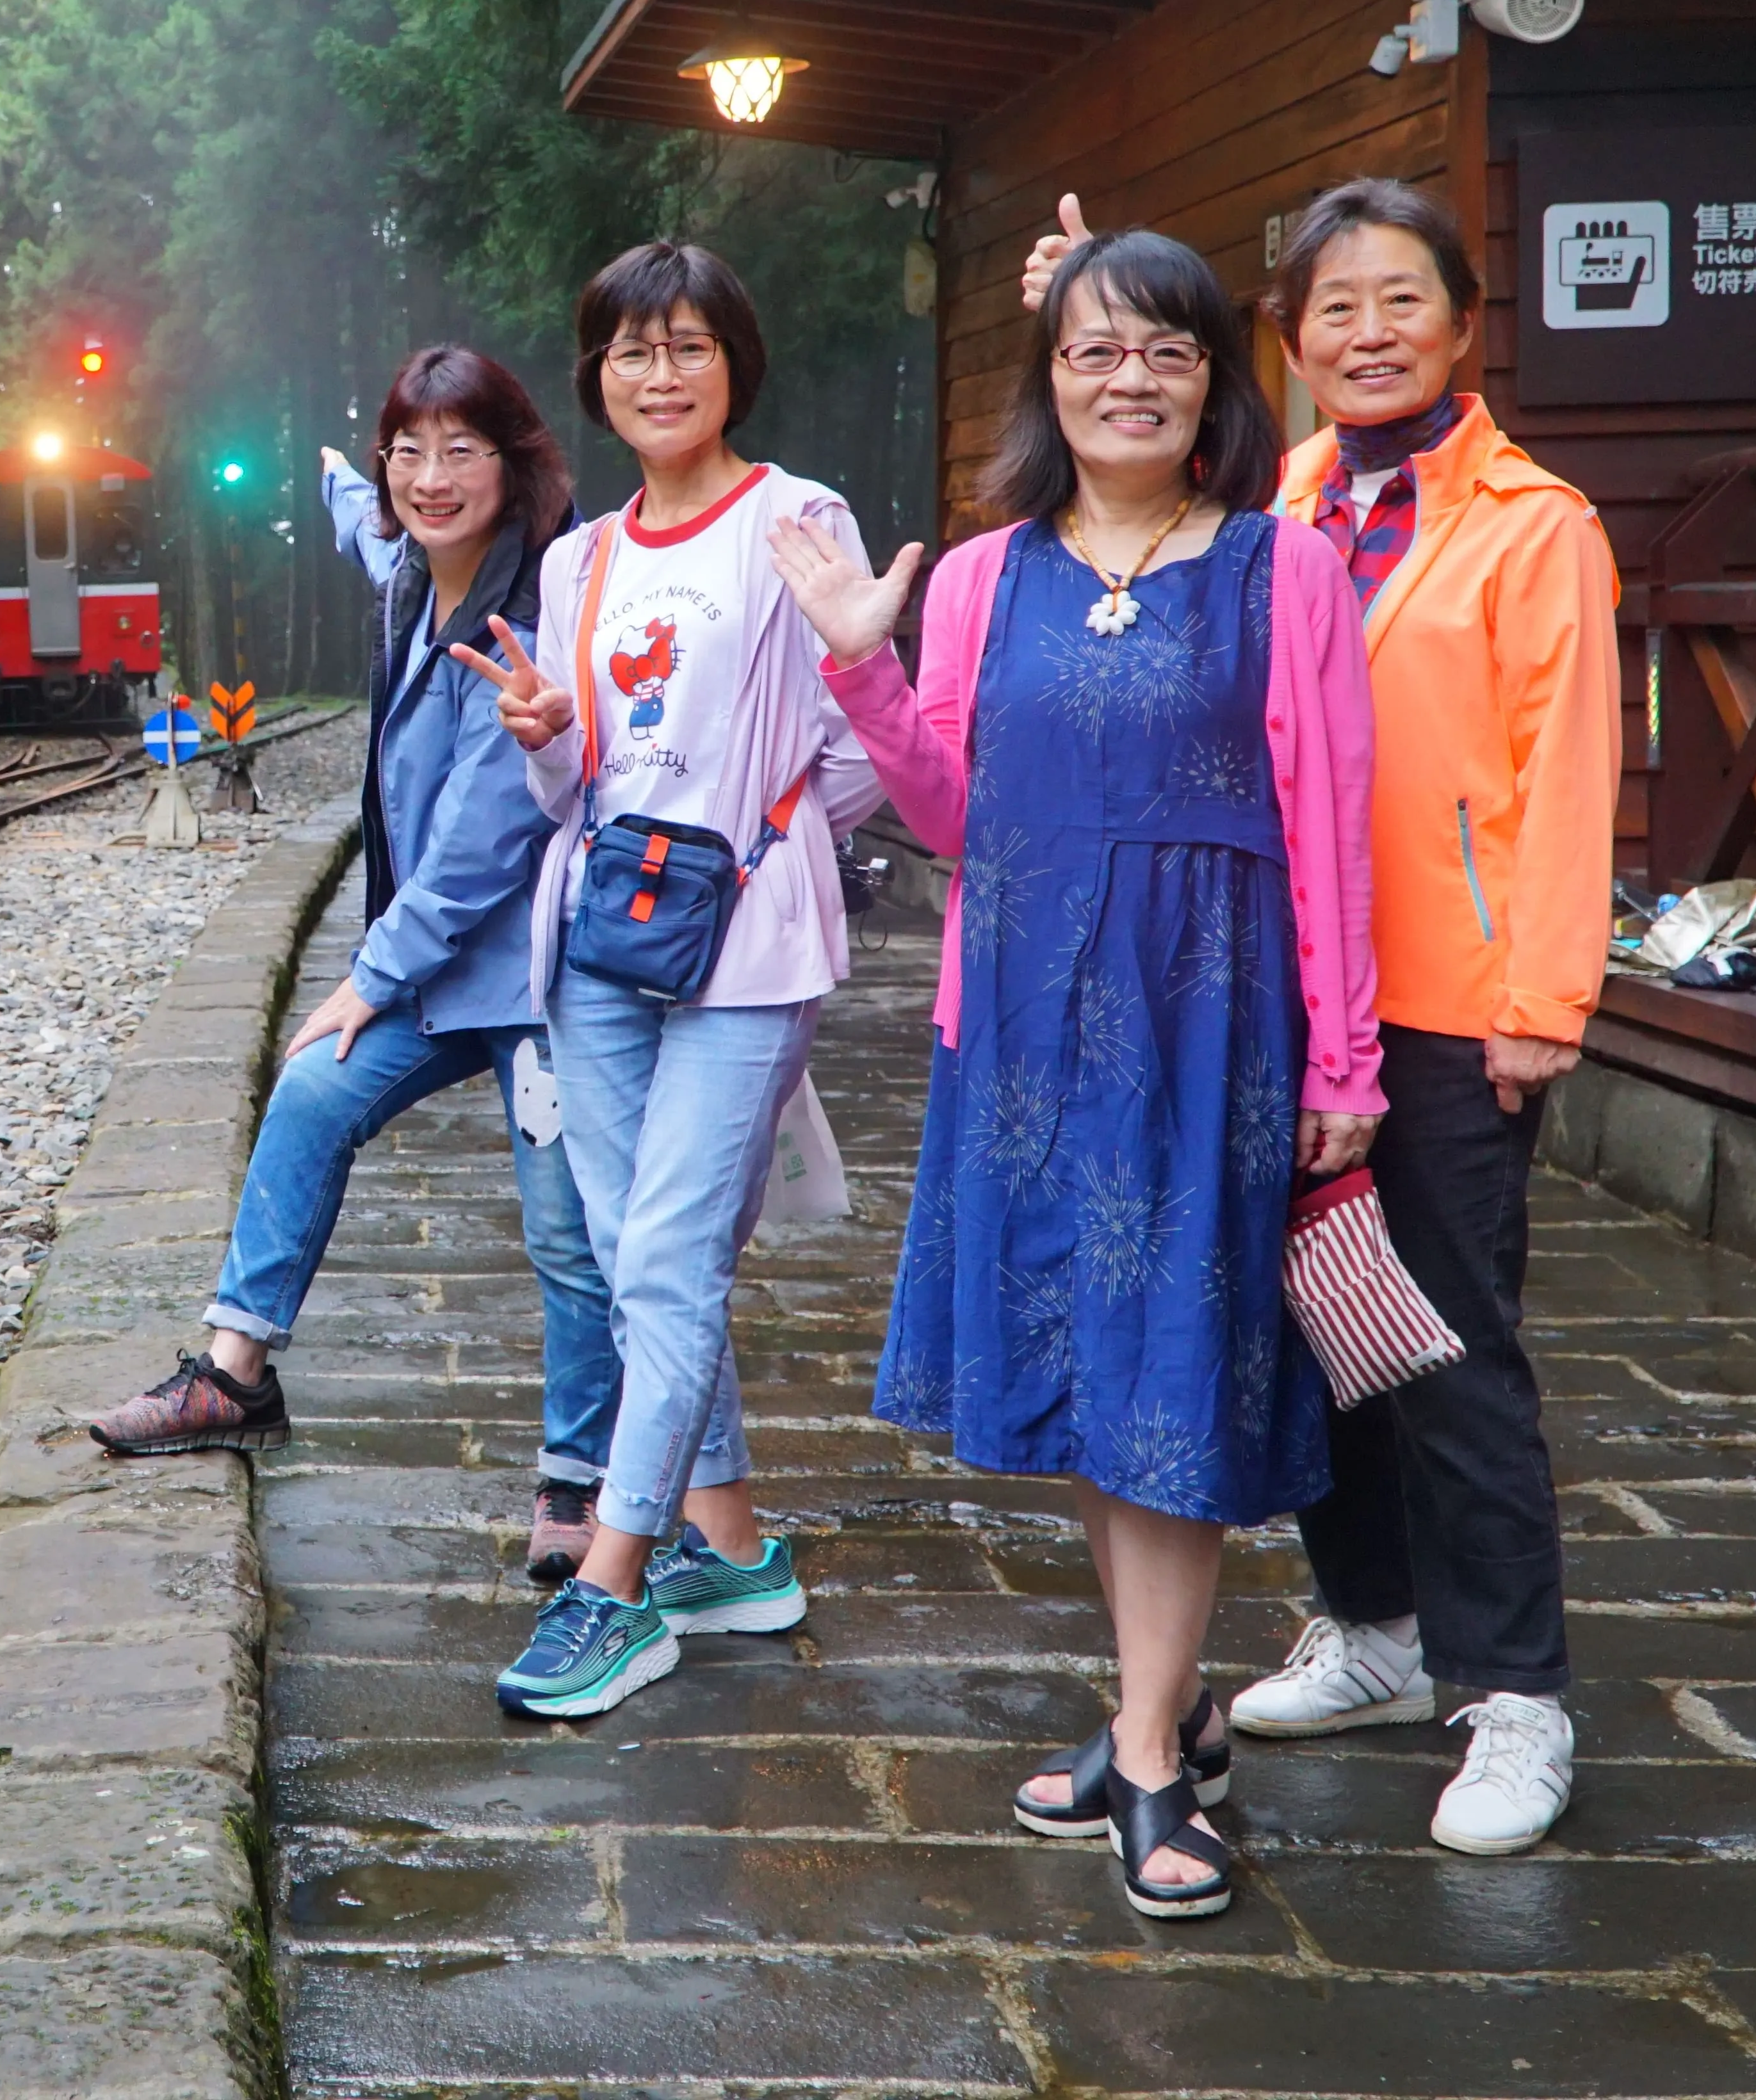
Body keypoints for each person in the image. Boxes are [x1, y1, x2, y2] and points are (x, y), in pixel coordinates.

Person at [773, 227, 1381, 1923]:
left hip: (1213, 1029)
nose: (1131, 378)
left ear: (1213, 385)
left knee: (1174, 1379)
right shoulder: (979, 578)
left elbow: (1331, 833)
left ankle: (1147, 1757)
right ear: (1050, 379)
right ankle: (1159, 1707)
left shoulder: (1285, 570)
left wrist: (1345, 1063)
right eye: (1096, 350)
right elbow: (960, 819)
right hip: (1032, 1030)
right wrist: (859, 665)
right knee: (1106, 1391)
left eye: (1167, 352)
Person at [1020, 179, 1619, 1855]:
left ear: (1462, 323)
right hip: (1269, 996)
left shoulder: (1531, 524)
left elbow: (1570, 771)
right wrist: (1088, 290)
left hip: (1453, 1000)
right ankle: (1368, 1624)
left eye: (1400, 302)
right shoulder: (1272, 511)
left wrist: (1543, 999)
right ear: (1287, 341)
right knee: (1317, 1334)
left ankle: (1513, 1699)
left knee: (1445, 1347)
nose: (1368, 334)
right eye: (1334, 308)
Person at [82, 347, 619, 1576]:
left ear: (516, 462)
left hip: (539, 974)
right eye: (407, 452)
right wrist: (332, 476)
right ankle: (233, 1378)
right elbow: (366, 535)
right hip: (445, 977)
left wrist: (369, 976)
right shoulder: (409, 580)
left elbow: (489, 842)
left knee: (565, 1233)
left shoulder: (530, 609)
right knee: (314, 1091)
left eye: (461, 451)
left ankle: (578, 1482)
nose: (431, 479)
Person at [450, 240, 882, 1722]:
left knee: (666, 1259)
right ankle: (741, 1553)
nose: (659, 373)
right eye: (631, 351)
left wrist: (756, 854)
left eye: (688, 345)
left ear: (733, 365)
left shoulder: (797, 519)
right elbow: (581, 779)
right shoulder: (582, 557)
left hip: (744, 943)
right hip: (597, 938)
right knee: (644, 1251)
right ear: (598, 378)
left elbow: (863, 740)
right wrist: (540, 732)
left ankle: (615, 1587)